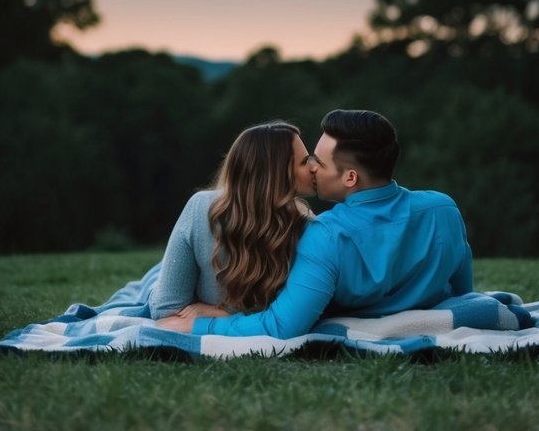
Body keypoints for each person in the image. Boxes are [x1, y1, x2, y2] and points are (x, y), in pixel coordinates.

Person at [158, 108, 473, 337]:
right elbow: (462, 293)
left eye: (318, 161)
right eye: (307, 160)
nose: (312, 168)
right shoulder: (444, 208)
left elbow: (283, 324)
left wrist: (207, 322)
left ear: (350, 177)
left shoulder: (322, 234)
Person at [148, 120, 316, 320]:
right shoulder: (202, 209)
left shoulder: (307, 227)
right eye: (305, 161)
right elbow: (165, 309)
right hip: (162, 283)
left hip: (183, 285)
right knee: (149, 283)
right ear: (279, 173)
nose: (314, 167)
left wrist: (223, 312)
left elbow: (295, 314)